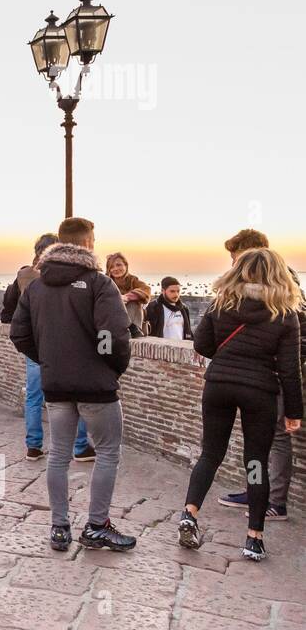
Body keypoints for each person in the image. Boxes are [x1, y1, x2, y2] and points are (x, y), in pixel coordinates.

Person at [10, 217, 134, 552]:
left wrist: (50, 360)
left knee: (59, 455)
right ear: (88, 243)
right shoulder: (99, 283)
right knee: (107, 452)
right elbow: (114, 335)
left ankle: (60, 527)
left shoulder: (37, 285)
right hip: (97, 386)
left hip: (57, 385)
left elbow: (19, 333)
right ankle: (96, 526)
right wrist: (110, 368)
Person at [179, 248, 303, 562]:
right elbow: (289, 369)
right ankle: (254, 539)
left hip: (218, 385)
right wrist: (293, 413)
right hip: (260, 391)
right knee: (256, 462)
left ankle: (189, 515)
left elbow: (201, 344)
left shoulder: (222, 303)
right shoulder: (284, 313)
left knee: (210, 453)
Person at [217, 228, 304, 521]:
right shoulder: (256, 283)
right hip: (259, 373)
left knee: (278, 436)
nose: (234, 264)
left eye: (237, 257)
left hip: (278, 372)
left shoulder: (283, 280)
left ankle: (276, 502)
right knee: (258, 436)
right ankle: (256, 491)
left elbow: (297, 330)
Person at [1, 233, 90, 461]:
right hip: (66, 344)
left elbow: (8, 310)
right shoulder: (68, 274)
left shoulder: (24, 276)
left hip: (37, 345)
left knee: (34, 397)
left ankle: (33, 446)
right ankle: (79, 447)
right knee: (76, 394)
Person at [106, 252, 151, 337]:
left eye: (119, 265)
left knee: (133, 303)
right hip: (112, 323)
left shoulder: (133, 280)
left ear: (126, 266)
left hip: (133, 325)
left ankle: (132, 330)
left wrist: (128, 297)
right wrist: (117, 299)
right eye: (111, 267)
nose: (115, 269)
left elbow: (146, 290)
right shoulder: (105, 282)